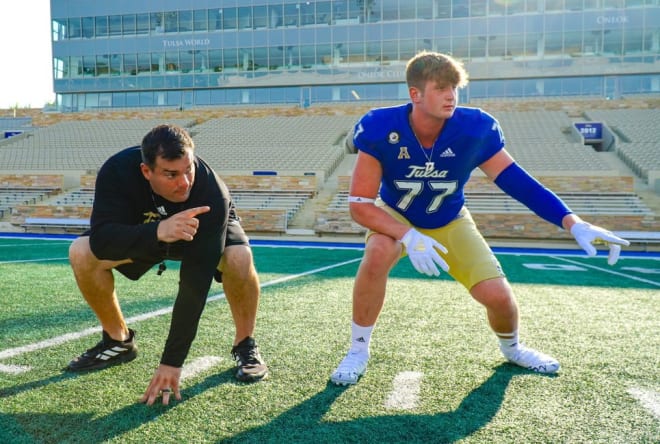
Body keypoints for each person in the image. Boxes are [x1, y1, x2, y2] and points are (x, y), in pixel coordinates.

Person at [330, 51, 630, 386]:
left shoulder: (475, 128)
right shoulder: (381, 126)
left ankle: (513, 348)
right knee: (378, 252)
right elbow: (360, 205)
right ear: (415, 94)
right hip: (396, 213)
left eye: (454, 87)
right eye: (441, 87)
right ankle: (358, 349)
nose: (451, 96)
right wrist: (409, 236)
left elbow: (518, 182)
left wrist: (572, 222)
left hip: (450, 218)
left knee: (499, 298)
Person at [66, 123, 269, 405]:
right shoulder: (117, 171)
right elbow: (101, 241)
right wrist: (158, 232)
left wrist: (172, 362)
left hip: (201, 231)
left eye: (189, 169)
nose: (184, 182)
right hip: (151, 230)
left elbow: (194, 285)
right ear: (146, 171)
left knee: (239, 257)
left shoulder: (211, 194)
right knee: (81, 251)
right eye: (171, 174)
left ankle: (245, 343)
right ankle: (118, 341)